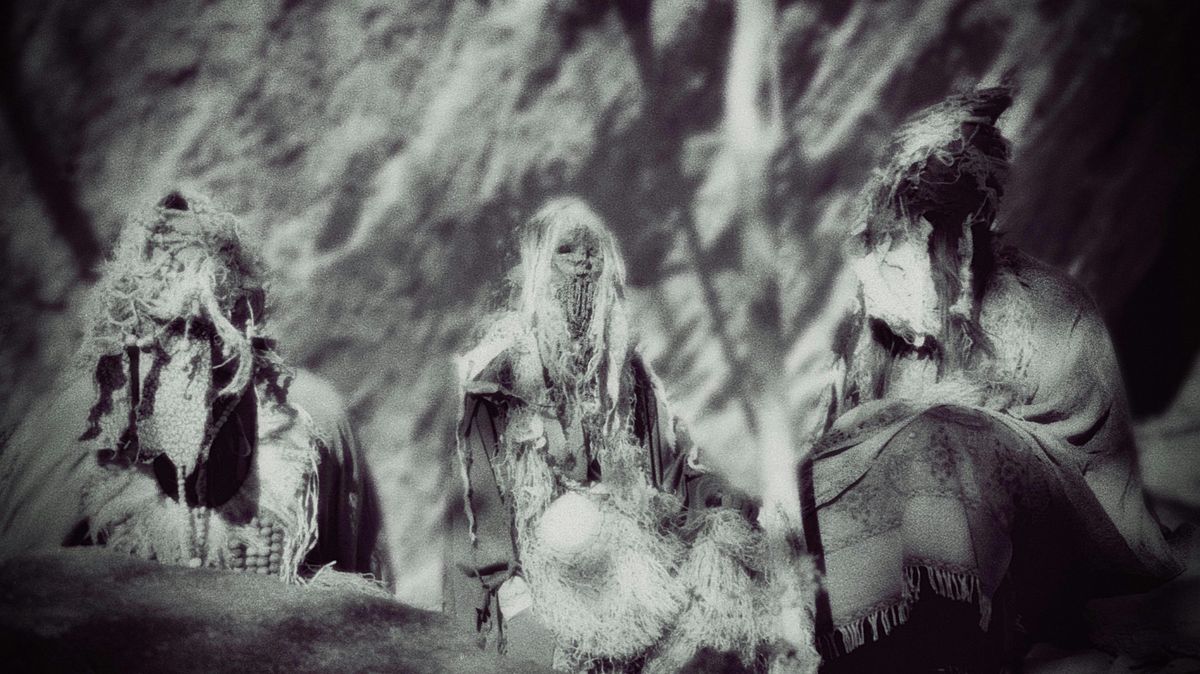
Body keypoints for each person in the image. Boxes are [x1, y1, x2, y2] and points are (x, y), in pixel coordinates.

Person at [806, 87, 1181, 672]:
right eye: (873, 250)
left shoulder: (1042, 306)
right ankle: (870, 633)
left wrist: (917, 416)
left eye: (898, 252)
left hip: (1062, 533)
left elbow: (1069, 432)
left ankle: (962, 636)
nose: (881, 275)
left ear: (955, 240)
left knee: (939, 441)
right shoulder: (878, 341)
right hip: (946, 527)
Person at [0, 191, 387, 584]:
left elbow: (354, 598)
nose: (188, 354)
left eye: (207, 329)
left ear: (243, 321)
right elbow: (24, 594)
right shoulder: (79, 424)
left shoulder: (309, 420)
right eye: (166, 327)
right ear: (128, 327)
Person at [452, 197, 768, 672]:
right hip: (541, 574)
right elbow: (482, 516)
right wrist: (512, 594)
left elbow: (671, 469)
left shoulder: (627, 374)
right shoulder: (497, 382)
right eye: (566, 251)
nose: (583, 263)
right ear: (539, 266)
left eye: (593, 251)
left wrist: (713, 492)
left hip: (631, 556)